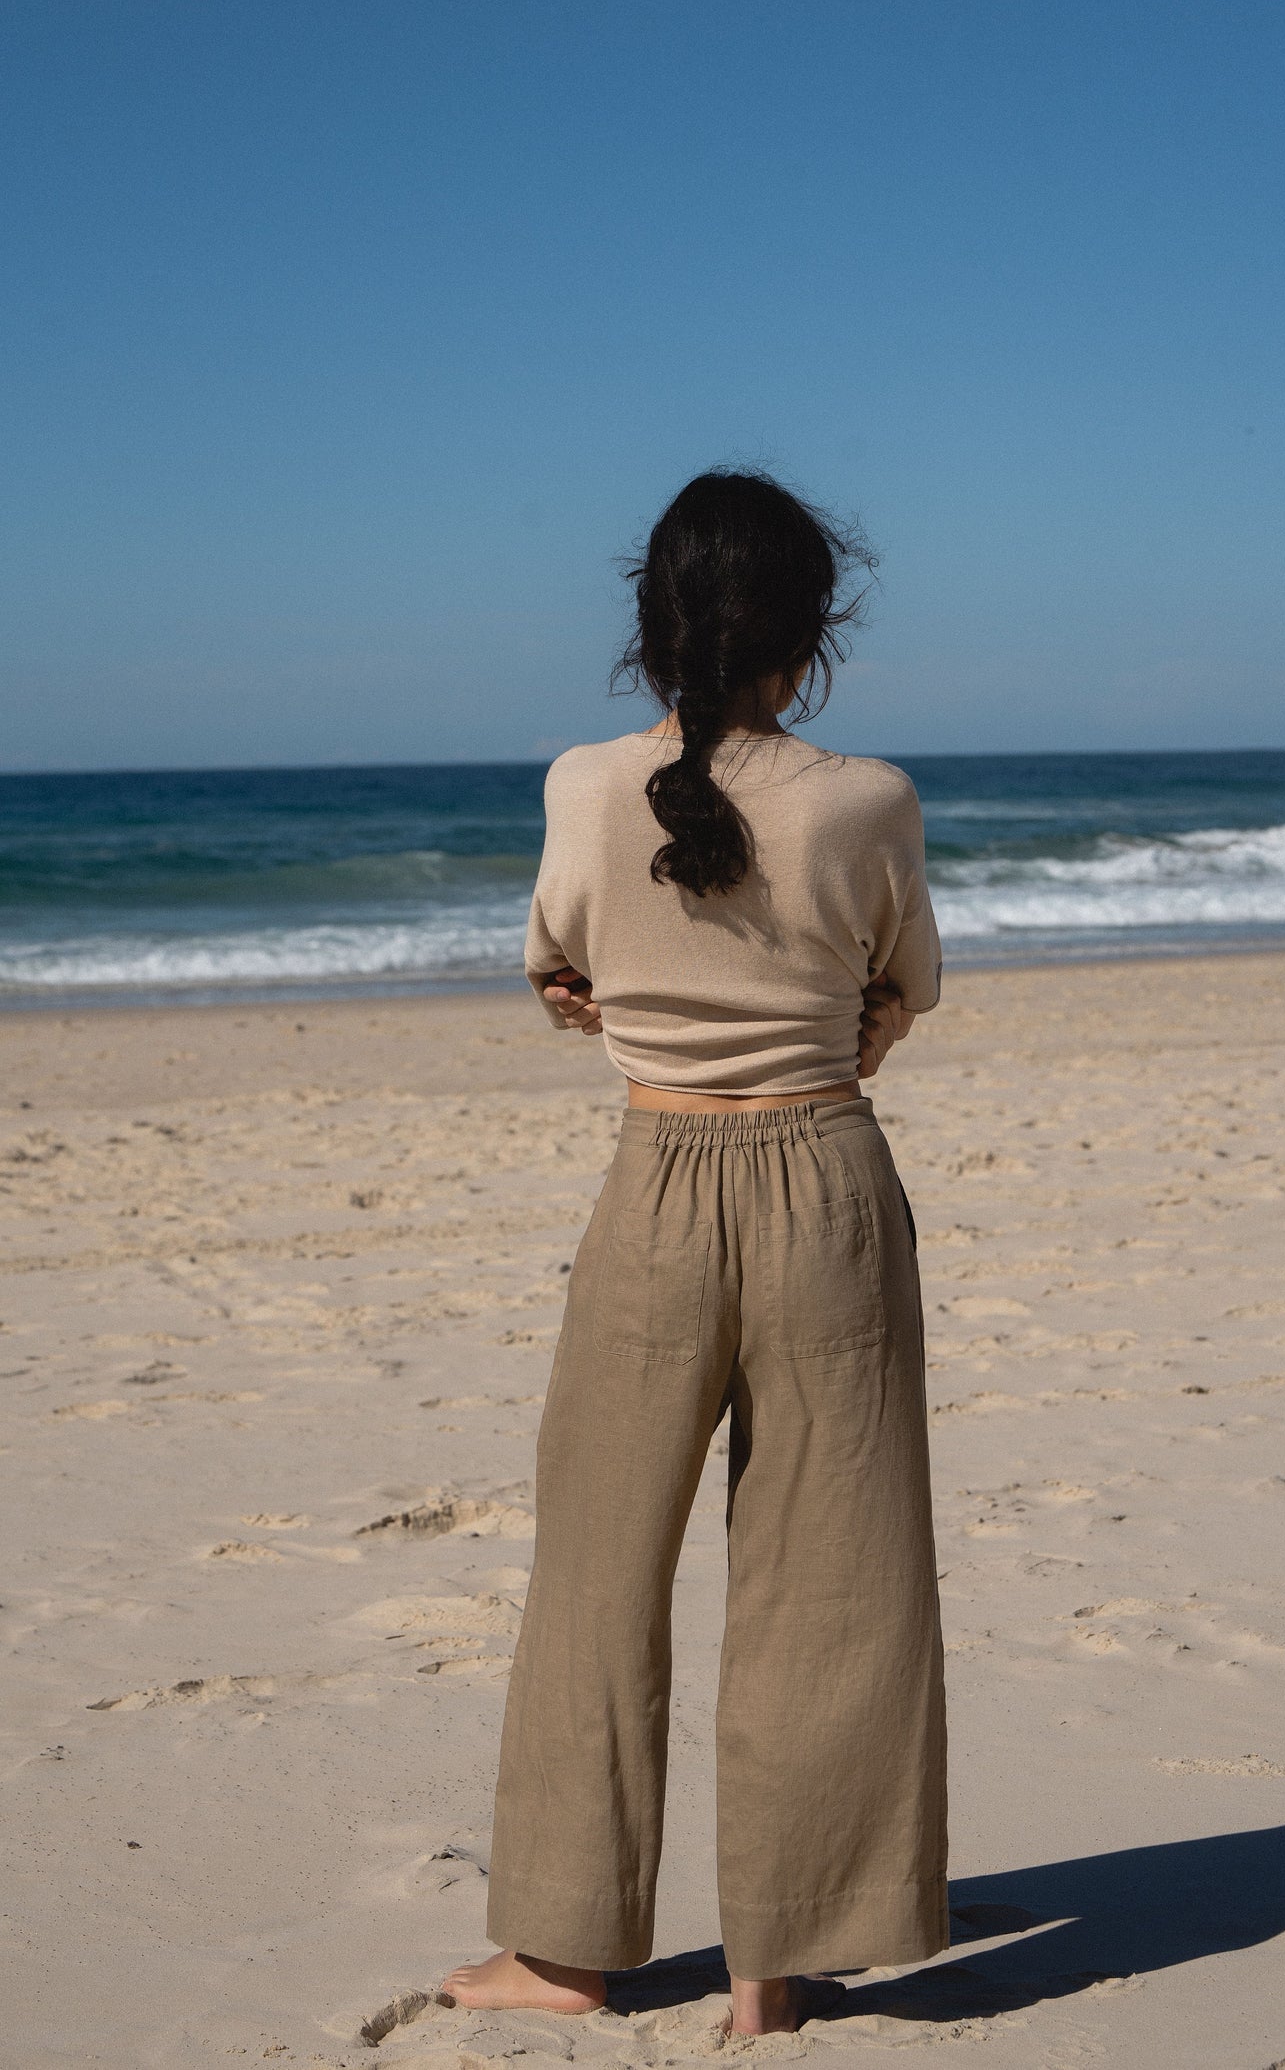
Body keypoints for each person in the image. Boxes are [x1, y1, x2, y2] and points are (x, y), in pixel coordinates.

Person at [441, 470, 948, 2038]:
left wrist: (617, 1003)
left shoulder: (583, 784)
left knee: (596, 1567)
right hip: (826, 1180)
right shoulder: (869, 797)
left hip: (653, 1186)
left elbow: (558, 973)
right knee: (834, 1578)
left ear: (651, 626)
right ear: (806, 635)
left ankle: (568, 1951)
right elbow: (897, 997)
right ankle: (773, 1971)